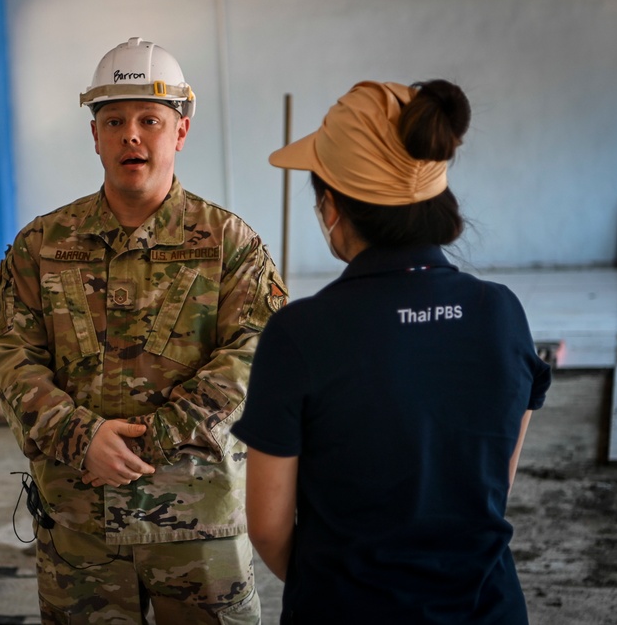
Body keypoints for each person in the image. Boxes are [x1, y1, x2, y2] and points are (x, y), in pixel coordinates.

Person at [0, 37, 287, 624]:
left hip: (198, 522)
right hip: (79, 527)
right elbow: (7, 349)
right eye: (114, 120)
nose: (132, 135)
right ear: (95, 135)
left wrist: (153, 440)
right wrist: (77, 436)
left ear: (181, 132)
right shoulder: (43, 244)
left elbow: (257, 353)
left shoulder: (227, 243)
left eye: (150, 119)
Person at [232, 80, 553, 623]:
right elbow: (492, 483)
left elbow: (267, 525)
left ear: (331, 205)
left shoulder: (300, 334)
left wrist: (338, 580)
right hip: (487, 607)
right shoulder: (502, 314)